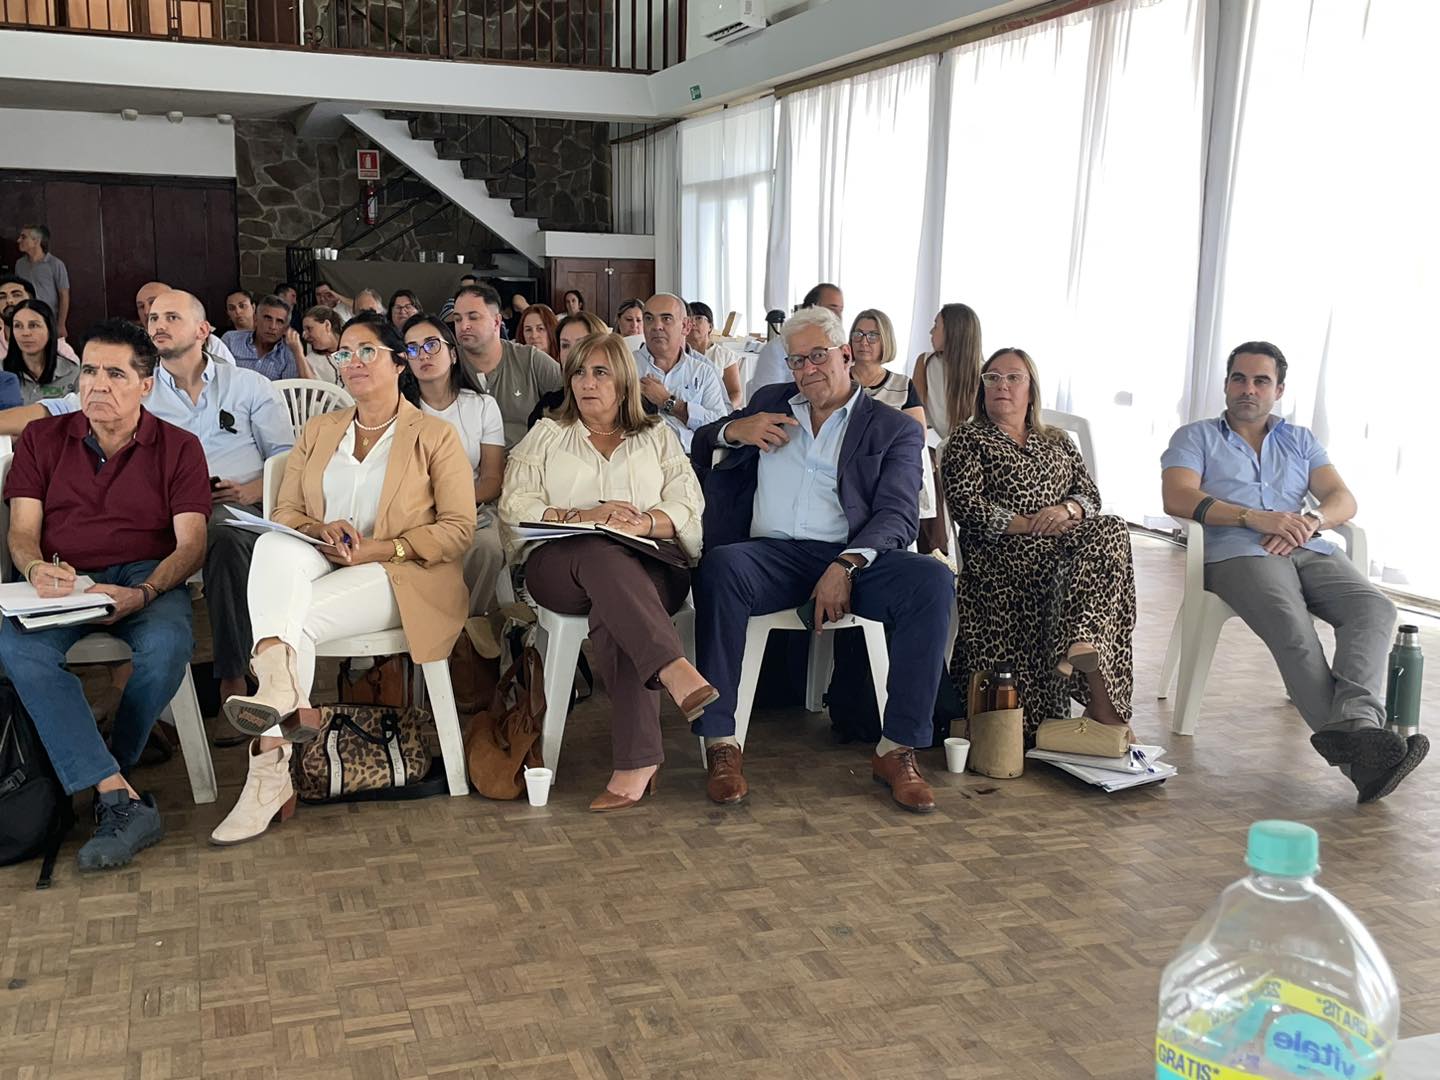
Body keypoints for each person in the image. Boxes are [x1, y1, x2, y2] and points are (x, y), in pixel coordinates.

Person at [212, 313, 475, 845]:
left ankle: (268, 774)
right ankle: (284, 695)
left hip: (402, 572)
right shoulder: (319, 430)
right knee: (273, 545)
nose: (353, 362)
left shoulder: (435, 435)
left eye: (367, 351)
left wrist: (381, 547)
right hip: (324, 556)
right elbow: (285, 513)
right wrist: (321, 528)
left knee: (294, 623)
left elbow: (458, 529)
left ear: (399, 363)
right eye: (344, 354)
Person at [690, 306, 952, 813]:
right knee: (721, 567)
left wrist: (847, 564)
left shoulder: (891, 427)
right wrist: (736, 430)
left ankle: (897, 748)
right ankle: (722, 743)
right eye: (797, 360)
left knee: (931, 581)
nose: (808, 369)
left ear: (846, 355)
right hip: (771, 556)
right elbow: (703, 443)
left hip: (853, 557)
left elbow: (898, 515)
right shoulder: (770, 402)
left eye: (818, 356)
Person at [0, 290, 297, 716]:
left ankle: (232, 673)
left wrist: (251, 490)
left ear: (203, 330)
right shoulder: (133, 384)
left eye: (171, 317)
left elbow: (286, 458)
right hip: (161, 508)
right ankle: (131, 697)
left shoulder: (249, 386)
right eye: (153, 317)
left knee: (223, 534)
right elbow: (59, 410)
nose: (158, 325)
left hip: (236, 503)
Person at [1161, 341, 1427, 803]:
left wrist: (1311, 520)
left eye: (1260, 381)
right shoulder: (1195, 436)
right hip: (1237, 553)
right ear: (1226, 385)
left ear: (1278, 390)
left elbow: (1343, 499)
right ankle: (1362, 759)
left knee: (1375, 608)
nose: (1248, 389)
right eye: (1239, 378)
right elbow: (1177, 496)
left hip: (1306, 545)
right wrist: (1253, 518)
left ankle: (1359, 728)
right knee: (1293, 629)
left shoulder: (1300, 439)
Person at [0, 319, 209, 870]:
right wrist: (34, 566)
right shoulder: (44, 438)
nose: (96, 384)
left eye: (115, 374)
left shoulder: (180, 447)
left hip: (146, 574)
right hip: (64, 574)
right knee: (16, 648)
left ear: (146, 384)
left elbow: (192, 545)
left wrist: (146, 591)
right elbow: (22, 532)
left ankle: (104, 766)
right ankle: (117, 795)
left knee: (166, 647)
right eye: (89, 370)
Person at [500, 332, 714, 810]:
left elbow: (688, 505)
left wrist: (644, 522)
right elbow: (515, 506)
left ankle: (640, 759)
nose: (587, 383)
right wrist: (582, 517)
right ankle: (672, 668)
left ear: (624, 381)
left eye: (600, 372)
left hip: (651, 563)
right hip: (562, 565)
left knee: (615, 601)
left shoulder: (656, 436)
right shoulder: (548, 434)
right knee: (598, 551)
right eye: (578, 372)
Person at [943, 347, 1136, 742]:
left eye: (1014, 377)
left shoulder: (1057, 440)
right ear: (982, 388)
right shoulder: (969, 439)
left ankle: (1083, 641)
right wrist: (1030, 525)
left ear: (1031, 389)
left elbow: (1089, 497)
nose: (1002, 385)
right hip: (1003, 559)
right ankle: (1104, 707)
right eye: (993, 377)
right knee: (1105, 586)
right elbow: (967, 506)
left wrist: (1067, 509)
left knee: (1113, 529)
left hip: (1065, 557)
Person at [401, 314, 506, 616]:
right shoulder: (400, 411)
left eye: (431, 345)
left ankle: (467, 627)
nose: (423, 355)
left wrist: (453, 506)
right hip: (414, 511)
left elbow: (491, 480)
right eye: (412, 349)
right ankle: (428, 625)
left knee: (487, 546)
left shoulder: (482, 406)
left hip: (471, 506)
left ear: (453, 354)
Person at [452, 283, 563, 448]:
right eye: (457, 319)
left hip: (526, 459)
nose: (463, 326)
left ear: (497, 322)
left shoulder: (531, 360)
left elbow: (572, 402)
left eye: (473, 317)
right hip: (464, 461)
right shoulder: (447, 363)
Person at [634, 293, 728, 452]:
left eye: (666, 319)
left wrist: (669, 402)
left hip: (690, 458)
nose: (656, 326)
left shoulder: (702, 371)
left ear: (686, 326)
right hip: (638, 456)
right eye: (649, 319)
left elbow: (719, 427)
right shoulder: (626, 366)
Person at [747, 284, 844, 398]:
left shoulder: (837, 346)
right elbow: (766, 399)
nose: (838, 317)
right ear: (811, 308)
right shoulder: (777, 349)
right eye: (832, 309)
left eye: (840, 310)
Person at [913, 302, 982, 442]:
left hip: (968, 446)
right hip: (933, 445)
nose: (931, 332)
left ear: (952, 332)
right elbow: (917, 413)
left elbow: (978, 425)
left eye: (936, 326)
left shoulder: (983, 372)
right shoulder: (924, 362)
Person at [848, 309, 924, 426]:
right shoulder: (838, 379)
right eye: (858, 334)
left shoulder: (903, 385)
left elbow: (918, 433)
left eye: (872, 336)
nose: (863, 342)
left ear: (885, 340)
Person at [137, 280, 235, 365]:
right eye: (141, 306)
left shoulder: (210, 342)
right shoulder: (133, 345)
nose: (146, 311)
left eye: (153, 302)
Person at [3, 298, 79, 403]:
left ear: (49, 329)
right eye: (18, 326)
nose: (25, 333)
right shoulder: (2, 370)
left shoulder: (72, 373)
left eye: (33, 325)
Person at [223, 294, 303, 381]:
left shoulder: (289, 354)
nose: (272, 326)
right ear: (255, 319)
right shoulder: (231, 340)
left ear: (286, 328)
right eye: (267, 318)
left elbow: (288, 388)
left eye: (279, 321)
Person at [14, 224, 70, 339]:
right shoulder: (19, 264)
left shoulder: (55, 264)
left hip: (48, 319)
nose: (18, 240)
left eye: (23, 237)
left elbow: (64, 295)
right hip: (26, 319)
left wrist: (61, 324)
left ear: (36, 241)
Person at [686, 300, 744, 409]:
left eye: (698, 318)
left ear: (710, 326)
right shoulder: (676, 353)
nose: (693, 323)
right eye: (689, 319)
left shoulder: (725, 355)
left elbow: (735, 393)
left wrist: (725, 412)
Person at [301, 305, 345, 385]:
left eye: (309, 329)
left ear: (327, 325)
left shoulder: (354, 350)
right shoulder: (310, 361)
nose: (305, 336)